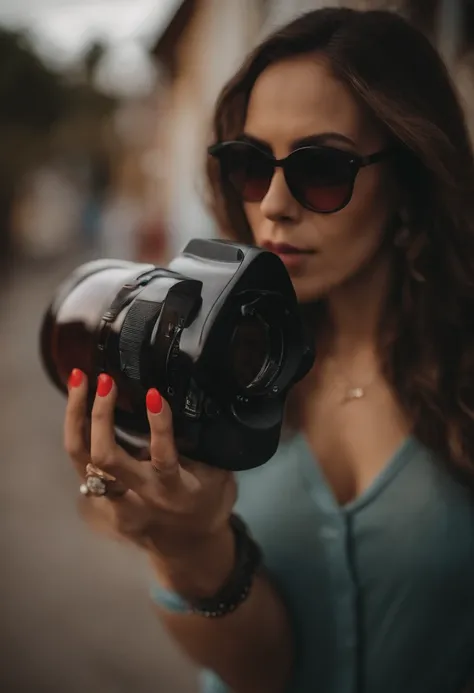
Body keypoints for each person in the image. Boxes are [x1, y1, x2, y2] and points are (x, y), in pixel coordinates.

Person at [63, 7, 474, 693]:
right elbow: (261, 672)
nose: (275, 204)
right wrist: (182, 544)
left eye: (320, 170)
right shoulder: (192, 351)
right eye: (252, 165)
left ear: (409, 173)